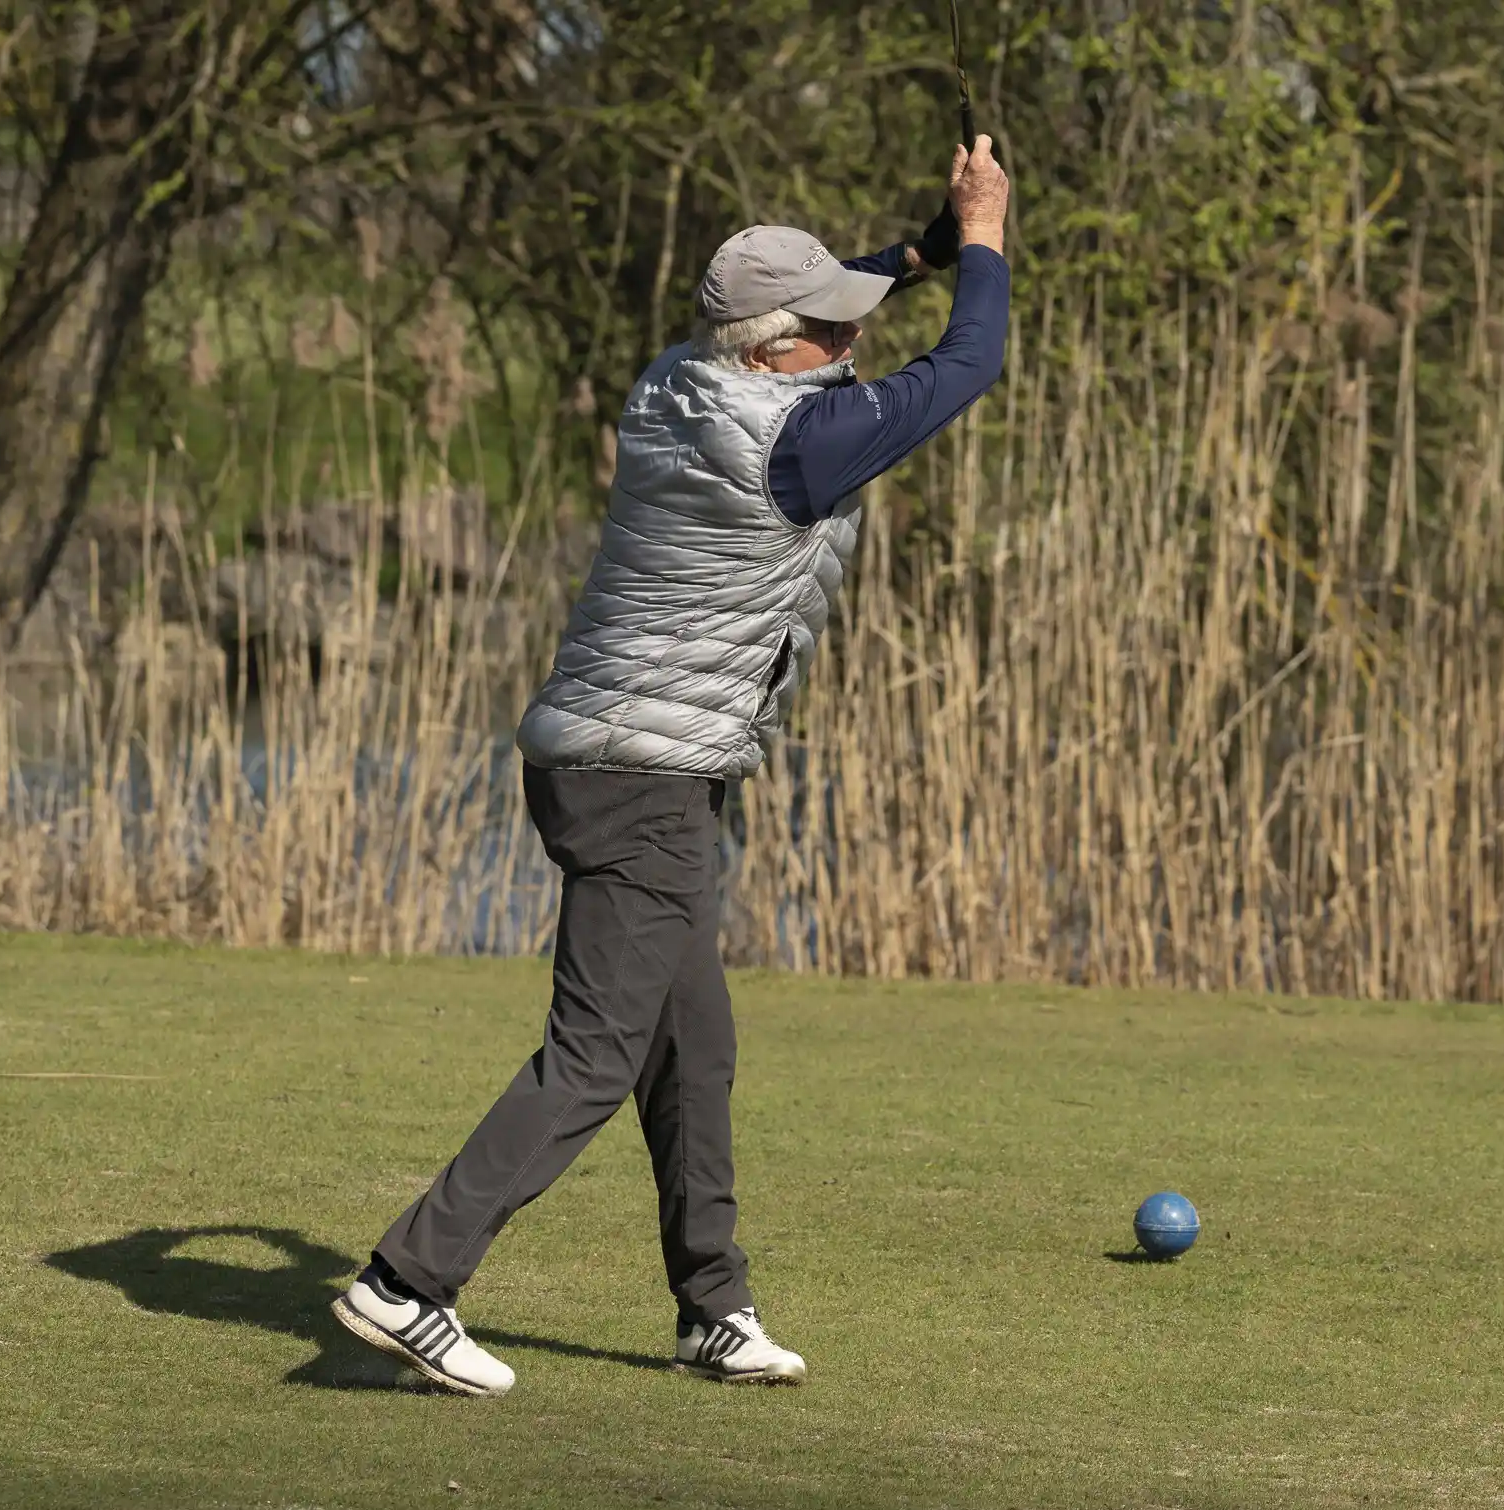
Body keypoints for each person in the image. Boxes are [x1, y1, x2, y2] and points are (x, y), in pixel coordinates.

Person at [332, 137, 1015, 1396]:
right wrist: (984, 240)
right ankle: (408, 1280)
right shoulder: (801, 442)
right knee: (596, 1052)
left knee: (691, 1044)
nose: (852, 345)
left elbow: (854, 306)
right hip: (641, 779)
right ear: (773, 350)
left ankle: (714, 1308)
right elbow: (969, 364)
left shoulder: (675, 382)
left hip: (603, 755)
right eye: (831, 332)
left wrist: (920, 246)